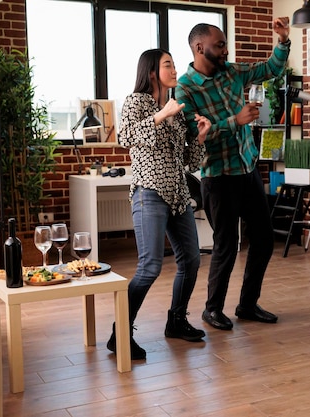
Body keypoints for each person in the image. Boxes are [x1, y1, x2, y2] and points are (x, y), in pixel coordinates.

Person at [175, 18, 291, 330]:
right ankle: (212, 309)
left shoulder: (232, 72)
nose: (226, 50)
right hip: (218, 176)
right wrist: (234, 121)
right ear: (200, 48)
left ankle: (248, 304)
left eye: (225, 44)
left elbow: (271, 69)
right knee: (226, 245)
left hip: (248, 169)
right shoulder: (185, 89)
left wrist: (282, 40)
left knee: (264, 241)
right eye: (220, 45)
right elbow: (192, 136)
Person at [107, 48, 211, 360]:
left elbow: (189, 162)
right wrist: (160, 114)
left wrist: (200, 139)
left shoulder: (176, 109)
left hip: (179, 194)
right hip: (148, 192)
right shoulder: (136, 101)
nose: (175, 68)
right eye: (168, 64)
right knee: (150, 266)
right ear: (152, 71)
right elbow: (125, 136)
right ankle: (120, 333)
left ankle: (177, 321)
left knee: (191, 260)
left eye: (174, 63)